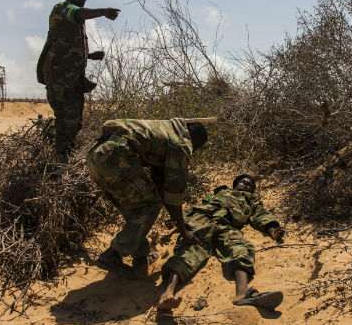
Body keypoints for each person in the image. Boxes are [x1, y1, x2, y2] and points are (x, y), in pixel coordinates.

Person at [86, 118, 208, 280]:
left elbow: (160, 181)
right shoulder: (180, 144)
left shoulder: (167, 131)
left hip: (96, 158)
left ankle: (141, 258)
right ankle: (112, 254)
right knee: (150, 205)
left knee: (136, 207)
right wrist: (182, 229)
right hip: (115, 157)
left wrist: (177, 218)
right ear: (194, 140)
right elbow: (173, 191)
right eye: (196, 147)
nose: (193, 151)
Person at [158, 174, 286, 311]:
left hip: (226, 226)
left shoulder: (251, 200)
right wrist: (176, 218)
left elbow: (261, 214)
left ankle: (242, 294)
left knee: (241, 248)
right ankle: (168, 293)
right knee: (188, 250)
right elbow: (197, 207)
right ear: (235, 183)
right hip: (202, 220)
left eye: (249, 185)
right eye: (242, 182)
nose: (245, 185)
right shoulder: (220, 193)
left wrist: (272, 230)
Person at [37, 0, 120, 164]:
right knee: (66, 118)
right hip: (59, 78)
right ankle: (60, 160)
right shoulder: (62, 9)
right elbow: (77, 12)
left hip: (74, 79)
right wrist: (103, 12)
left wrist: (89, 55)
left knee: (75, 120)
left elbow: (67, 48)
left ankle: (65, 153)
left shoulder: (77, 22)